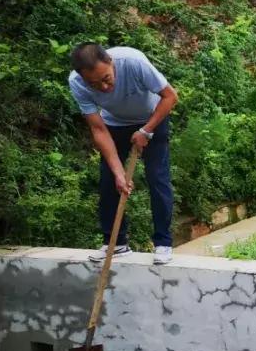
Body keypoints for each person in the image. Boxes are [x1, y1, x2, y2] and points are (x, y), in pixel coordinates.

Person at [68, 43, 178, 264]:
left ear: (111, 61)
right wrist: (119, 172)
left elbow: (170, 97)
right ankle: (116, 243)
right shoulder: (77, 83)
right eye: (95, 84)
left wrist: (146, 130)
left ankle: (163, 243)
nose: (104, 87)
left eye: (106, 78)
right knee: (109, 180)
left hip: (152, 116)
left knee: (157, 177)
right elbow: (98, 128)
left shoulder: (133, 62)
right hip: (114, 123)